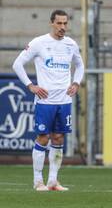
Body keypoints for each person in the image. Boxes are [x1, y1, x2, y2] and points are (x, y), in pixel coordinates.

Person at [12, 10, 84, 191]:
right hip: (45, 101)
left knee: (58, 138)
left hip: (64, 100)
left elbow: (80, 65)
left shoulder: (71, 44)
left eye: (65, 23)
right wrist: (31, 86)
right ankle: (38, 181)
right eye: (59, 23)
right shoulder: (39, 43)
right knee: (43, 138)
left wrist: (76, 82)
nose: (63, 27)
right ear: (51, 23)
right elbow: (17, 64)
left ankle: (53, 181)